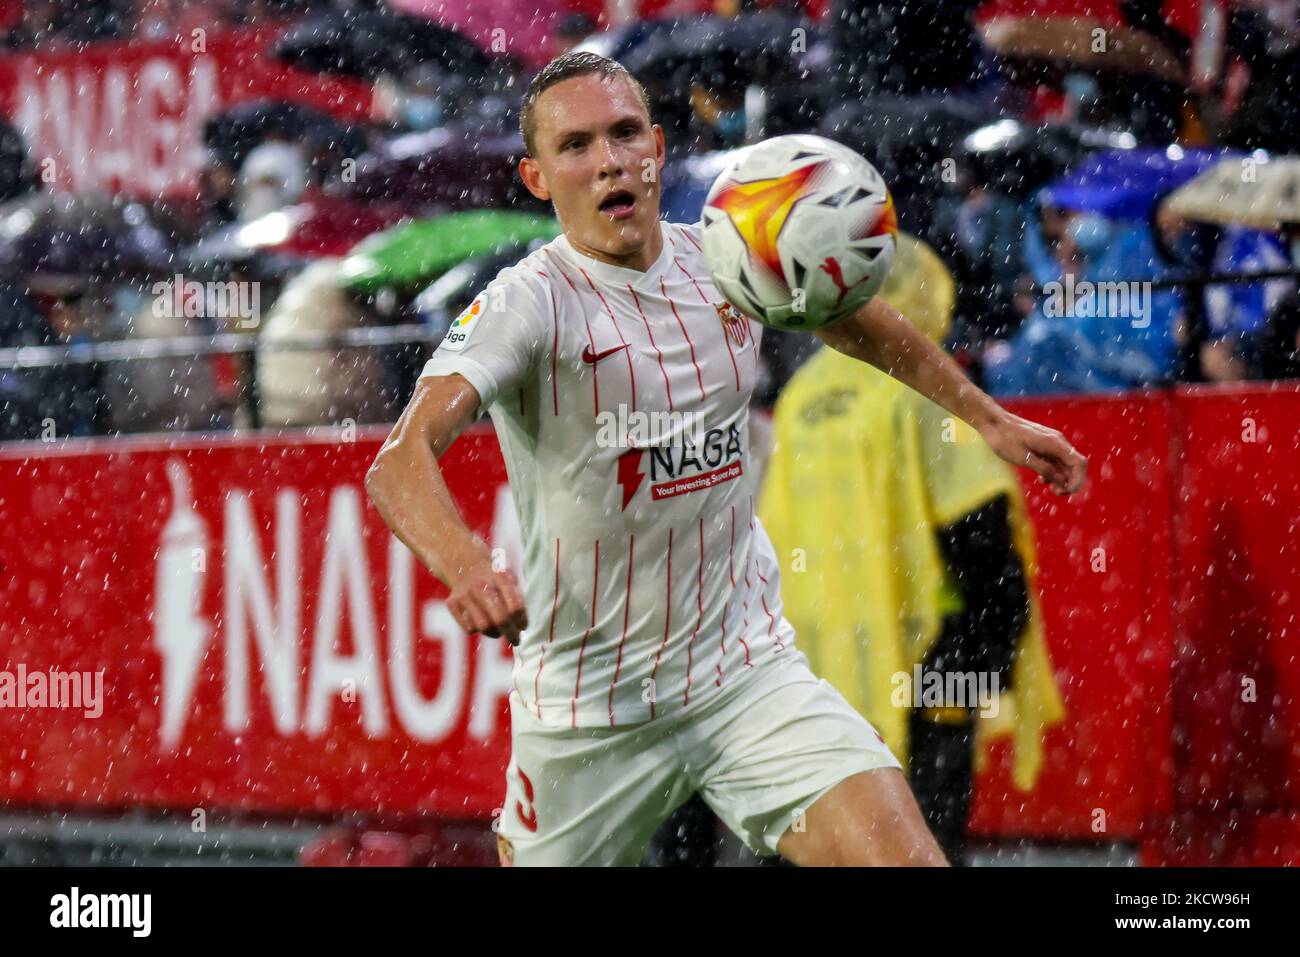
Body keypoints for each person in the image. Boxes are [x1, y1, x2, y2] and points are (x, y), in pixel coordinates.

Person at [365, 51, 1086, 867]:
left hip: (743, 675)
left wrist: (984, 417)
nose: (608, 160)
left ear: (659, 148)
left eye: (625, 133)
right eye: (576, 146)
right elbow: (399, 460)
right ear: (536, 177)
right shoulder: (526, 303)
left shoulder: (724, 258)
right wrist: (465, 565)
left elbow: (845, 313)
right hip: (587, 707)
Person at [758, 234, 1066, 863]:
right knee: (924, 839)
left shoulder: (799, 398)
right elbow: (978, 528)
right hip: (929, 670)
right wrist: (981, 656)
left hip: (820, 677)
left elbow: (773, 545)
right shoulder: (923, 387)